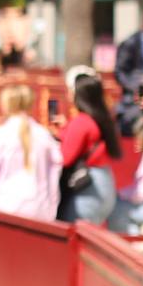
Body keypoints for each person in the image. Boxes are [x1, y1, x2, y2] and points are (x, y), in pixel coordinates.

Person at [0, 84, 62, 221]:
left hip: (7, 205)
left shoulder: (0, 134)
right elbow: (55, 169)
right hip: (40, 208)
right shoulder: (43, 135)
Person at [55, 69, 122, 225]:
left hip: (88, 190)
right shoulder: (101, 119)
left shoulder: (81, 122)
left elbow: (65, 158)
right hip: (104, 184)